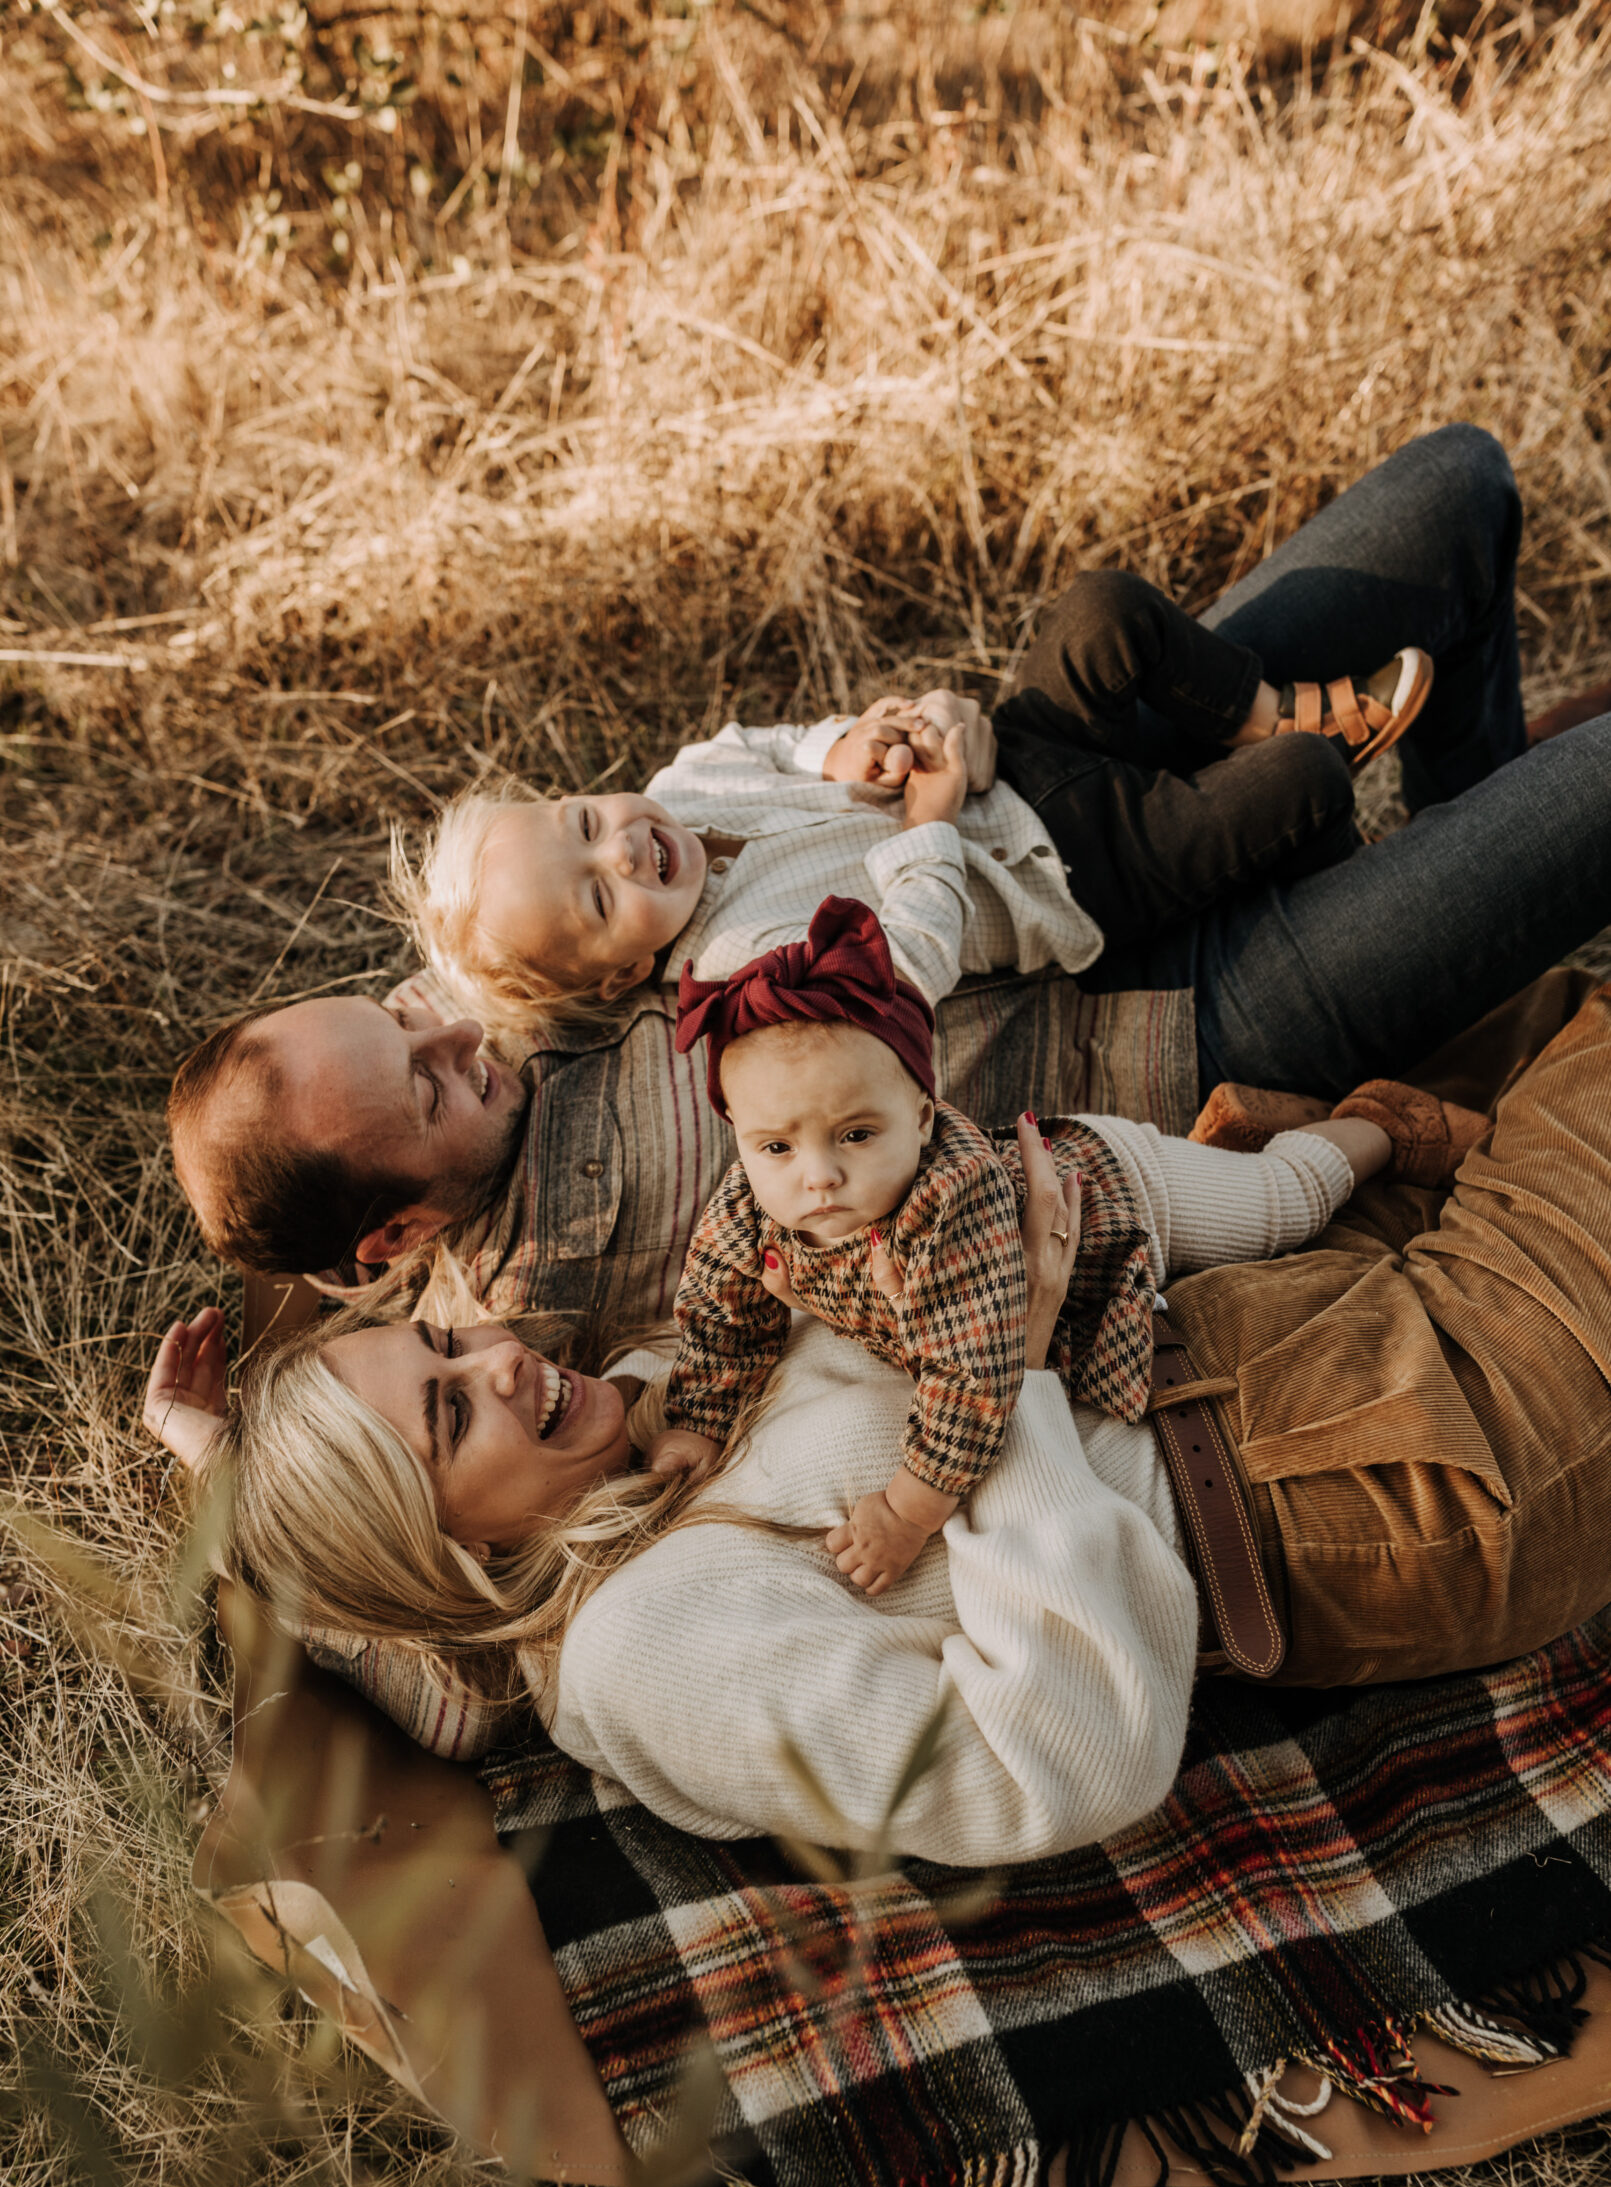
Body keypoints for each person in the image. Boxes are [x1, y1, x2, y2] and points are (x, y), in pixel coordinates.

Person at [144, 966, 1611, 1866]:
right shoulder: (647, 1656)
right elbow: (1072, 1760)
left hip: (1265, 1308)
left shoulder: (643, 1432)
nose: (505, 1363)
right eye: (452, 1421)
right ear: (448, 1556)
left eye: (447, 1347)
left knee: (1537, 1012)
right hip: (1363, 1464)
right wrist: (1017, 1369)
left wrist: (228, 1458)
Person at [169, 425, 1611, 1332]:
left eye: (405, 1015)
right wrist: (209, 1445)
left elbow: (584, 872)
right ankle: (1462, 897)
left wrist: (913, 745)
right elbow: (376, 1483)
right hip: (1186, 1018)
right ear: (399, 1234)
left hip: (1048, 814)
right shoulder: (531, 1304)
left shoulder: (505, 999)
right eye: (421, 1083)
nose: (451, 1038)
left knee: (1456, 486)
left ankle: (1464, 853)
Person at [653, 893, 1411, 1595]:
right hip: (1061, 1257)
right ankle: (1243, 1134)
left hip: (1124, 1198)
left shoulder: (950, 1204)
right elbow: (720, 1314)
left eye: (856, 1134)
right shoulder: (753, 1204)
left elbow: (973, 1377)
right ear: (741, 1141)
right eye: (776, 1147)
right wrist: (698, 1418)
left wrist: (908, 1510)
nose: (817, 1177)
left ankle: (1381, 1125)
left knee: (1286, 1208)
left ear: (922, 1117)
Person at [391, 566, 1429, 1035]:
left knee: (1101, 612)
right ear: (621, 975)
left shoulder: (684, 782)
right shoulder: (739, 965)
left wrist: (860, 746)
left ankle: (1262, 708)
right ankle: (1335, 844)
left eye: (583, 824)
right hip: (1068, 873)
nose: (620, 852)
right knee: (1300, 789)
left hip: (1018, 752)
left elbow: (780, 745)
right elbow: (906, 971)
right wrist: (926, 824)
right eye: (598, 902)